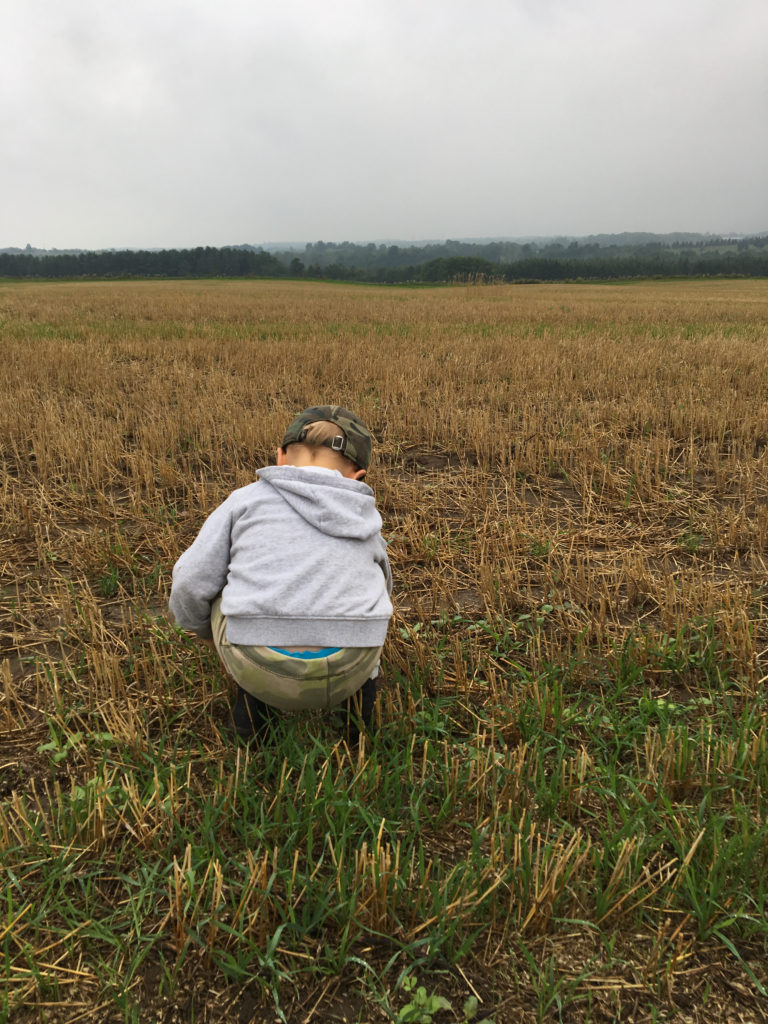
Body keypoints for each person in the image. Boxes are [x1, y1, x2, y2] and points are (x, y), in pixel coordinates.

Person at [168, 405, 393, 744]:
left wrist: (203, 632)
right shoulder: (365, 515)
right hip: (353, 663)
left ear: (280, 458)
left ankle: (252, 720)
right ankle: (359, 725)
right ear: (357, 475)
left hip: (259, 664)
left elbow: (189, 581)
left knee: (222, 581)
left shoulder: (244, 501)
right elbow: (385, 586)